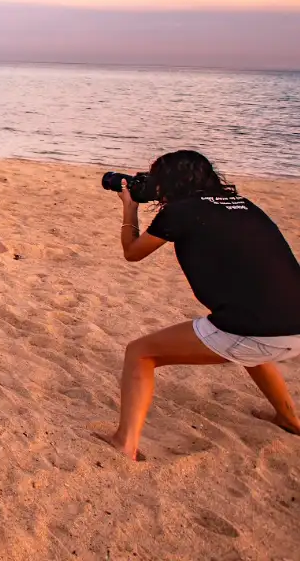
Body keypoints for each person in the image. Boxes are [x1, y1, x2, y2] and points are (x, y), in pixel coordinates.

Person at [101, 150, 300, 461]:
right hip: (295, 324)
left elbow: (132, 252)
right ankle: (289, 418)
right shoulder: (244, 205)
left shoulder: (180, 212)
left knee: (140, 352)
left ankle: (125, 443)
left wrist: (130, 208)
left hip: (253, 329)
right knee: (253, 341)